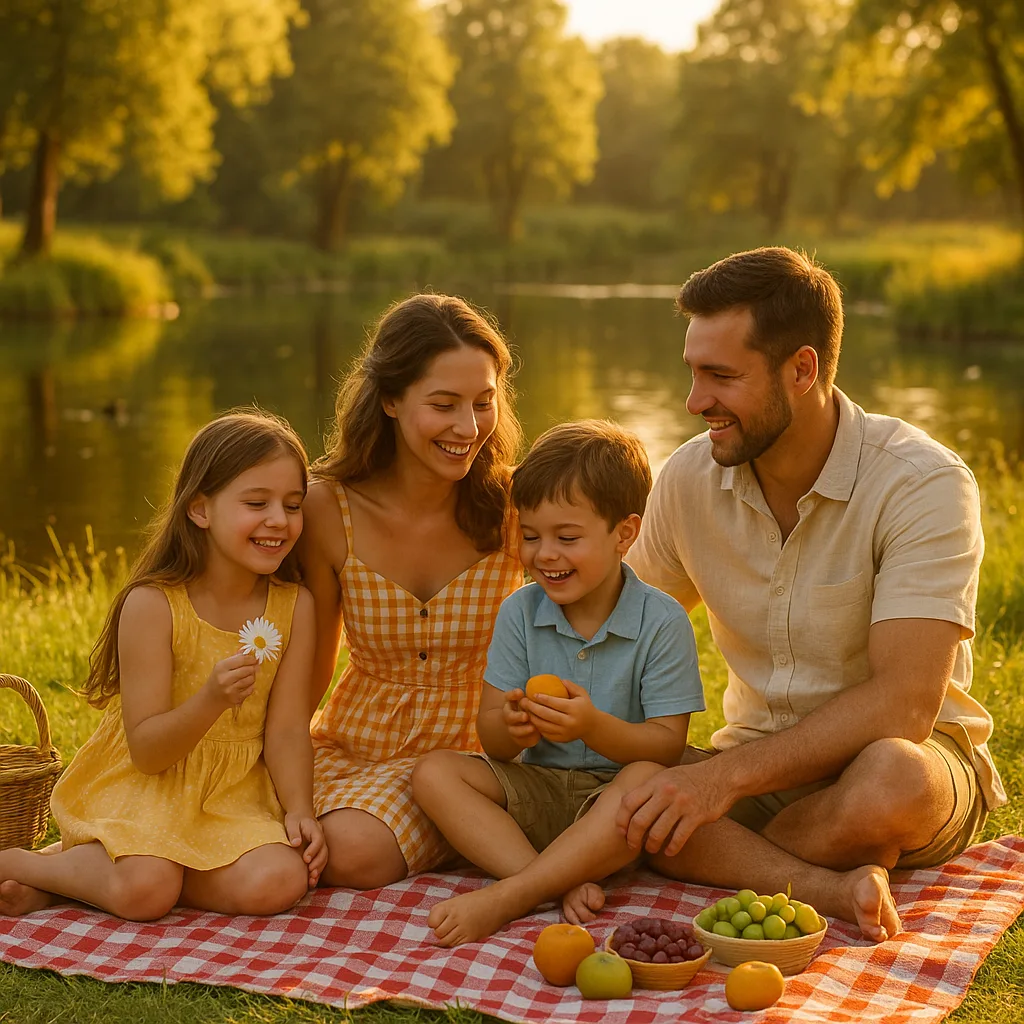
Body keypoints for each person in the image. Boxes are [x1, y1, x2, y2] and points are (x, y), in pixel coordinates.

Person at [617, 247, 1004, 939]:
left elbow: (906, 704)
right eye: (693, 373)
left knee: (890, 779)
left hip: (908, 764)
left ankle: (726, 858)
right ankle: (833, 881)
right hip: (758, 764)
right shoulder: (686, 479)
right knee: (630, 783)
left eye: (721, 376)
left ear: (802, 369)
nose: (695, 400)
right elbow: (618, 629)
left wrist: (717, 786)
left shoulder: (921, 483)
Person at [0, 410, 327, 920]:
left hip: (229, 794)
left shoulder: (294, 607)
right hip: (147, 784)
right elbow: (149, 751)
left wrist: (300, 808)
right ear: (200, 509)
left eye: (292, 505)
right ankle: (24, 863)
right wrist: (211, 700)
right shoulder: (154, 605)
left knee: (280, 881)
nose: (279, 522)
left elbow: (286, 730)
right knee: (146, 892)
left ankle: (83, 878)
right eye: (256, 503)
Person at [411, 420, 705, 946]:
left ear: (625, 534)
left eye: (567, 538)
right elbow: (492, 740)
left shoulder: (662, 621)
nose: (544, 554)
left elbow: (667, 745)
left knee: (645, 779)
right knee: (434, 772)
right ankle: (551, 881)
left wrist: (591, 726)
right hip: (540, 793)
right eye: (529, 536)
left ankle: (513, 895)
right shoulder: (520, 613)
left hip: (614, 810)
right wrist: (515, 725)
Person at [297, 294, 523, 890]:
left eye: (483, 403)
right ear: (391, 400)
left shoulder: (518, 506)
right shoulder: (329, 508)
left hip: (473, 758)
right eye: (443, 405)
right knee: (262, 827)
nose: (468, 429)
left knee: (349, 852)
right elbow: (310, 671)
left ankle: (468, 833)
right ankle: (64, 871)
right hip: (353, 745)